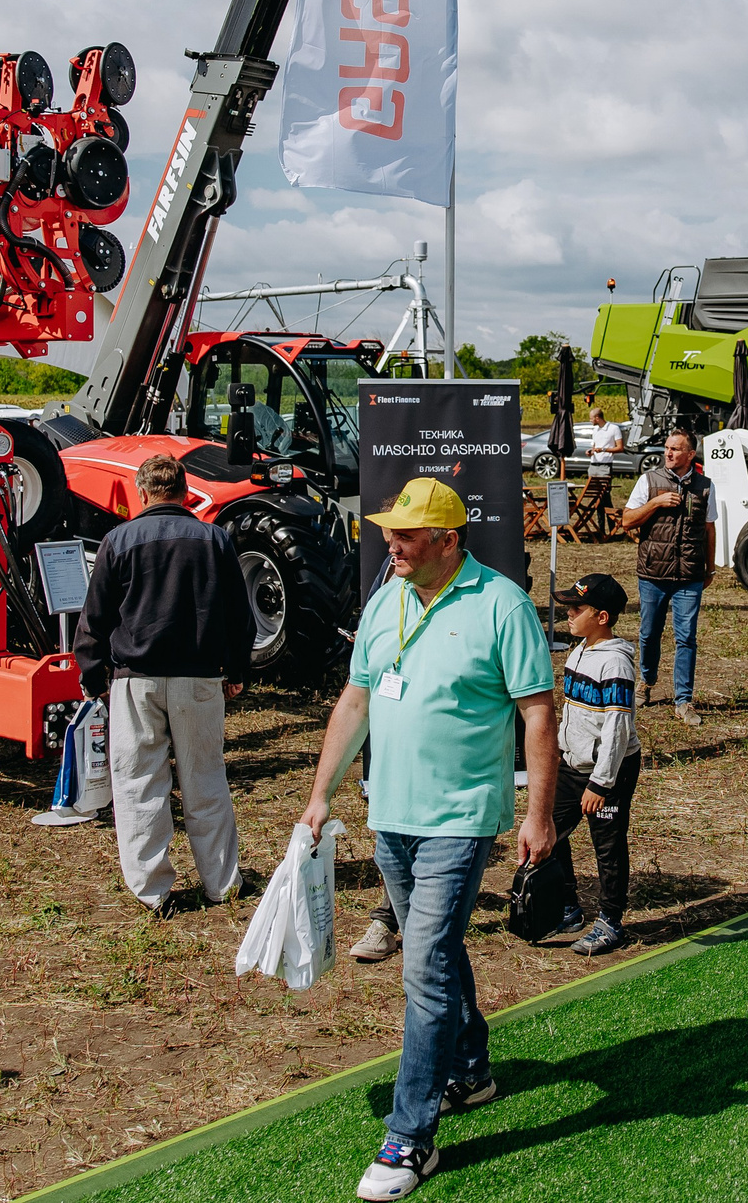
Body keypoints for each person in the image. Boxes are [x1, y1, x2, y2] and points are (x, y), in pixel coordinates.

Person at [296, 478, 556, 1200]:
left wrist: (539, 814)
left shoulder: (500, 605)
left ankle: (410, 1139)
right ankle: (469, 1070)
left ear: (448, 539)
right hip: (392, 817)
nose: (391, 543)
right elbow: (355, 700)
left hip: (462, 819)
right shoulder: (387, 598)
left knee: (424, 964)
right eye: (390, 532)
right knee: (433, 952)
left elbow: (538, 714)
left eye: (406, 535)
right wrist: (319, 796)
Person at [76, 452, 252, 917]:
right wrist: (235, 670)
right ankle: (222, 884)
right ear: (184, 491)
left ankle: (152, 892)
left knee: (138, 782)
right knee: (206, 778)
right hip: (199, 679)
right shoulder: (215, 539)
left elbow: (95, 617)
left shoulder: (118, 540)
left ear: (142, 492)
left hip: (136, 681)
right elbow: (239, 616)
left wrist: (92, 675)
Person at [541, 575, 639, 957]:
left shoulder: (615, 663)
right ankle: (568, 907)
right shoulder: (579, 649)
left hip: (609, 770)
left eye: (575, 609)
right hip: (572, 764)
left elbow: (617, 726)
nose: (568, 614)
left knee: (608, 847)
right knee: (551, 829)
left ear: (601, 616)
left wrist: (601, 783)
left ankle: (611, 921)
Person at [618, 427, 715, 725]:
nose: (668, 453)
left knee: (686, 638)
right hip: (653, 573)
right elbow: (626, 521)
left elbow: (709, 529)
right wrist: (655, 503)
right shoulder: (649, 480)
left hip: (689, 574)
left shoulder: (705, 485)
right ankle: (646, 683)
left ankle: (683, 701)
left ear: (690, 454)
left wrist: (710, 567)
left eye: (675, 449)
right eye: (667, 448)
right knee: (649, 634)